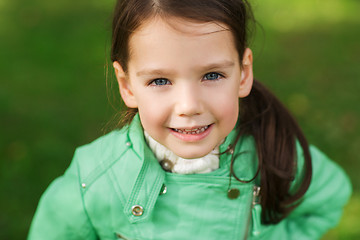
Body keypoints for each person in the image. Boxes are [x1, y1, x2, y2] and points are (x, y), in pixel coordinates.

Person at [28, 0, 352, 239]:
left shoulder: (274, 152)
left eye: (212, 75)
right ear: (127, 86)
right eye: (159, 81)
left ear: (243, 73)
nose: (188, 106)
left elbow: (328, 198)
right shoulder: (95, 181)